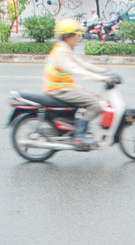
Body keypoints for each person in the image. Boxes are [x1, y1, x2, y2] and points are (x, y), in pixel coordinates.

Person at [43, 19, 113, 148]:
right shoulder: (60, 53)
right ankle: (79, 136)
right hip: (59, 89)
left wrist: (103, 71)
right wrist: (102, 78)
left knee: (98, 98)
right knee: (95, 104)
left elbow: (82, 64)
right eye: (75, 35)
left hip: (66, 87)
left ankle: (80, 128)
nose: (77, 37)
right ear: (67, 36)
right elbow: (79, 71)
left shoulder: (64, 49)